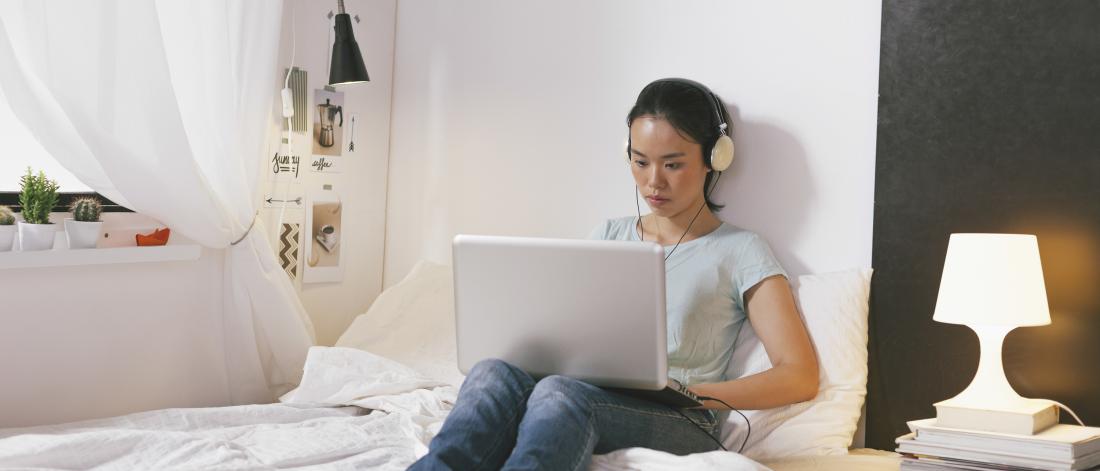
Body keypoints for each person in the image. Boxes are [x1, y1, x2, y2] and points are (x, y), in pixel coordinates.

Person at [408, 78, 819, 471]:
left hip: (682, 418)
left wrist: (699, 395)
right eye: (640, 162)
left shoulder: (741, 250)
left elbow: (798, 374)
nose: (652, 182)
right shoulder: (609, 234)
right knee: (490, 373)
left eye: (673, 164)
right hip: (584, 390)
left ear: (715, 158)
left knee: (560, 394)